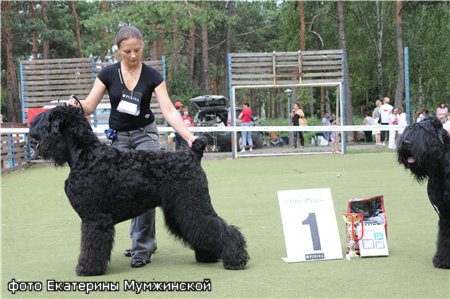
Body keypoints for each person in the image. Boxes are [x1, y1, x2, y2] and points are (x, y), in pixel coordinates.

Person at [68, 26, 196, 268]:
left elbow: (168, 110)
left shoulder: (152, 76)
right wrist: (77, 104)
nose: (134, 55)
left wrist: (188, 136)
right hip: (118, 138)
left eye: (137, 50)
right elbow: (89, 106)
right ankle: (139, 241)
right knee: (124, 191)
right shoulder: (107, 74)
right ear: (119, 50)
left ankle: (142, 247)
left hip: (145, 135)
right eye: (128, 51)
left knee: (147, 189)